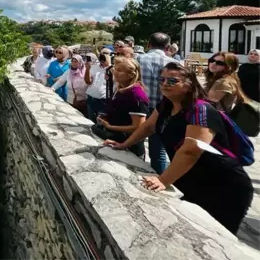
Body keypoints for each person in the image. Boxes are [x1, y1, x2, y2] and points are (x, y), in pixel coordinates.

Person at [104, 63, 253, 235]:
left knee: (214, 236)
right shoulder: (165, 105)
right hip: (188, 177)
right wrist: (124, 145)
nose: (165, 83)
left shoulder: (200, 110)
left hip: (223, 185)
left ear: (189, 84)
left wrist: (163, 180)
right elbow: (147, 127)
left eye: (172, 80)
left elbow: (191, 150)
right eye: (162, 79)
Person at [95, 57, 148, 158]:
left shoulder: (136, 95)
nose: (114, 72)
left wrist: (110, 127)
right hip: (117, 140)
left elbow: (138, 127)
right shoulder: (121, 88)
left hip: (130, 147)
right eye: (115, 69)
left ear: (131, 75)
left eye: (119, 70)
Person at [137, 32, 174, 174]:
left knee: (136, 143)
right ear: (168, 47)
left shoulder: (138, 58)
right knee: (158, 150)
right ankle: (158, 178)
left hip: (139, 108)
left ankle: (137, 171)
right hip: (163, 110)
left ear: (148, 44)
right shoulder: (173, 64)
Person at [85, 51, 110, 122]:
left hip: (103, 102)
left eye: (105, 55)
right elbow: (88, 82)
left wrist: (108, 65)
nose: (103, 57)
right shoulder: (94, 67)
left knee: (101, 123)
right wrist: (87, 69)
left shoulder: (113, 69)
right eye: (102, 55)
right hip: (91, 99)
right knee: (90, 122)